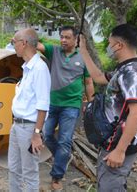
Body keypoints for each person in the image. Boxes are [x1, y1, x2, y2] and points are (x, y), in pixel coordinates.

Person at [79, 24, 137, 191]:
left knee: (111, 186)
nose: (109, 48)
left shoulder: (132, 73)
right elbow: (98, 77)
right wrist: (83, 49)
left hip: (119, 144)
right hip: (111, 141)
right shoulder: (123, 69)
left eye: (110, 44)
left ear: (119, 45)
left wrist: (120, 150)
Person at [37, 26, 94, 190]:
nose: (63, 40)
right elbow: (37, 45)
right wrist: (23, 39)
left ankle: (57, 177)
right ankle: (63, 156)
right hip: (52, 103)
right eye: (61, 37)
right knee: (47, 135)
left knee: (64, 140)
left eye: (67, 37)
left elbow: (89, 82)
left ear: (76, 39)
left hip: (71, 106)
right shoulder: (53, 51)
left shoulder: (83, 57)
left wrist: (90, 105)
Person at [8, 28, 51, 192]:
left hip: (29, 127)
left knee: (29, 172)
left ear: (24, 43)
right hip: (17, 125)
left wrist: (37, 133)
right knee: (13, 168)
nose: (13, 46)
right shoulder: (27, 68)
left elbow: (43, 105)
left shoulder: (39, 69)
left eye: (14, 42)